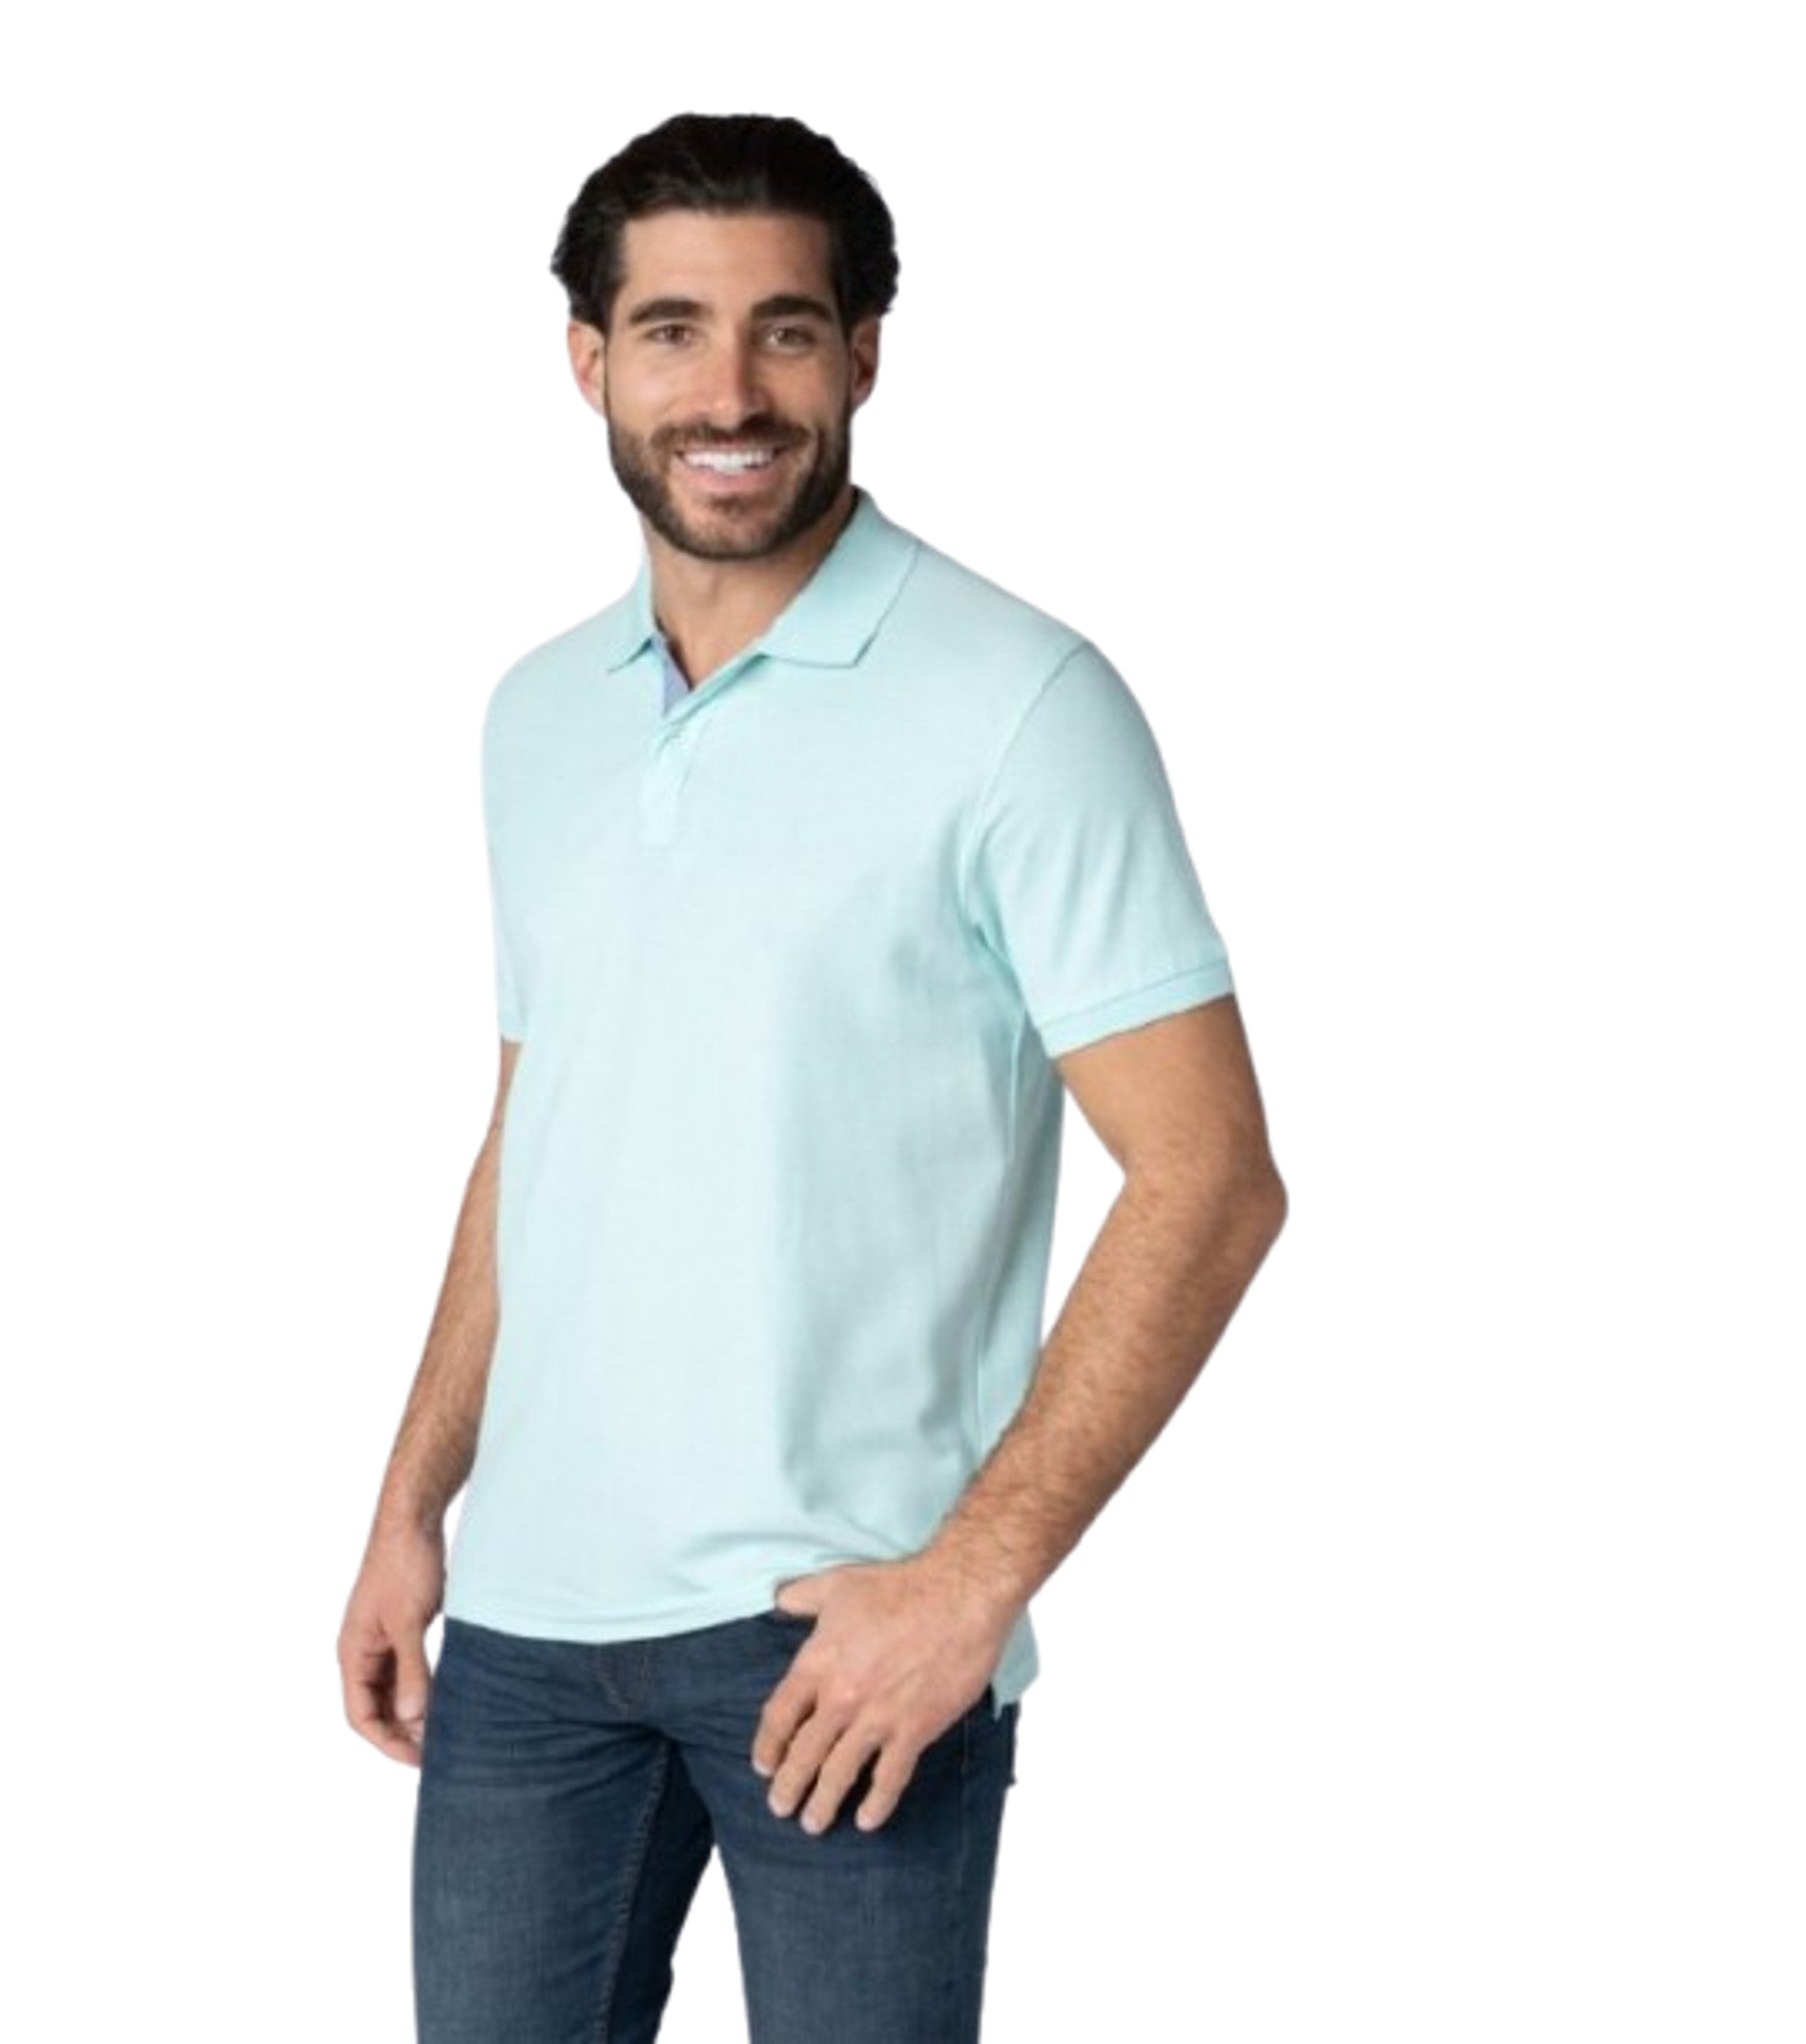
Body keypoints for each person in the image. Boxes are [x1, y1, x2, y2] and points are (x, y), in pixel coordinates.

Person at [338, 112, 1287, 2043]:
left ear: (862, 353)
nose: (731, 392)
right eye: (672, 330)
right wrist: (415, 1498)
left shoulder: (1020, 702)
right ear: (589, 360)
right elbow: (545, 1124)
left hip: (843, 1641)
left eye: (785, 328)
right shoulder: (538, 715)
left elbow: (1210, 1178)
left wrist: (969, 1586)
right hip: (525, 1638)